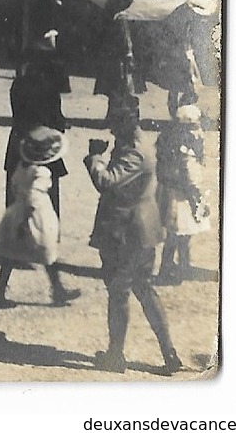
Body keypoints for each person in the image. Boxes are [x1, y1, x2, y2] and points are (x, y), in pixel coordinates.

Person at [87, 102, 182, 374]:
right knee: (143, 289)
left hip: (127, 233)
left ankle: (116, 356)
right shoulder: (139, 144)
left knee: (119, 293)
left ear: (126, 125)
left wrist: (94, 158)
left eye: (116, 126)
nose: (113, 132)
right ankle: (169, 353)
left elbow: (106, 181)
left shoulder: (134, 153)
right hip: (140, 230)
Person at [0, 126, 82, 307]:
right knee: (48, 252)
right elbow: (33, 197)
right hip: (35, 217)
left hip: (17, 212)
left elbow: (15, 186)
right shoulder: (42, 173)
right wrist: (26, 221)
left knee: (9, 253)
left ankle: (0, 292)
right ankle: (58, 290)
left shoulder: (21, 167)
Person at [6, 30, 71, 213]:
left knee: (18, 194)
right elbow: (57, 121)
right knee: (45, 197)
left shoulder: (18, 84)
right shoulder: (49, 89)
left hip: (20, 142)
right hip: (45, 145)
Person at [154, 105, 211, 285]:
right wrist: (198, 199)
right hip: (181, 197)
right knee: (179, 234)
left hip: (169, 192)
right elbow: (190, 177)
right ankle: (171, 268)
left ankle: (179, 265)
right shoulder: (186, 148)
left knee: (178, 234)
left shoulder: (168, 141)